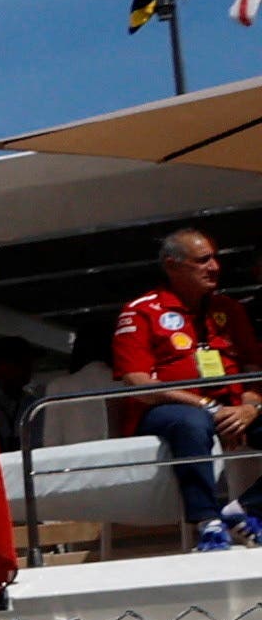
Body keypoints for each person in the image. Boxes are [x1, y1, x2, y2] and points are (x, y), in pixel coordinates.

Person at [114, 227, 255, 550]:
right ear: (173, 265)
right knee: (191, 423)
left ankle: (247, 509)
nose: (214, 267)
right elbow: (136, 382)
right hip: (169, 410)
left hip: (233, 408)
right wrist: (206, 406)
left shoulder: (230, 310)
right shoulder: (141, 311)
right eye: (203, 260)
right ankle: (208, 522)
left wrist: (249, 407)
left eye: (215, 258)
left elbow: (253, 370)